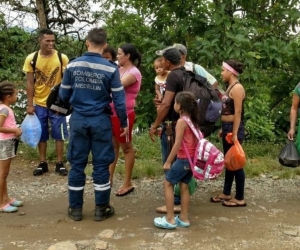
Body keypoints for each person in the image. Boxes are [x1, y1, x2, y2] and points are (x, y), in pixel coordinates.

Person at [59, 28, 128, 221]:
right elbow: (119, 101)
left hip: (79, 119)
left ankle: (75, 209)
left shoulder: (72, 66)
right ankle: (101, 208)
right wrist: (123, 122)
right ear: (105, 45)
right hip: (101, 121)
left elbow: (63, 95)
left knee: (77, 164)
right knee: (101, 164)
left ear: (87, 42)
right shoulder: (111, 68)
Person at [23, 28, 69, 176]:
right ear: (40, 40)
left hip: (58, 103)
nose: (51, 43)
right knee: (41, 133)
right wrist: (30, 104)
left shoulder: (62, 58)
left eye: (53, 40)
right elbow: (30, 83)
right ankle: (42, 163)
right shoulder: (32, 58)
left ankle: (59, 163)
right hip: (39, 102)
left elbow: (68, 81)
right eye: (47, 40)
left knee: (59, 133)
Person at [154, 91, 199, 229]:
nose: (174, 105)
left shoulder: (181, 121)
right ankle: (184, 218)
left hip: (184, 159)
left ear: (179, 106)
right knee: (184, 186)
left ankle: (170, 219)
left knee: (168, 183)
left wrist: (168, 161)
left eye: (175, 103)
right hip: (192, 160)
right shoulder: (193, 120)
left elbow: (177, 143)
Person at [149, 47, 186, 214]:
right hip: (186, 125)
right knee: (183, 161)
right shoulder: (187, 73)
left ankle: (174, 202)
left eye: (162, 60)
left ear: (169, 62)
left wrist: (155, 125)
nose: (161, 63)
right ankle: (182, 200)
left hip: (172, 127)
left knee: (169, 162)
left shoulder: (172, 76)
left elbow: (166, 104)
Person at [210, 59, 246, 207]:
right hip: (227, 127)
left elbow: (238, 112)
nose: (221, 73)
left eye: (223, 70)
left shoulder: (237, 88)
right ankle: (226, 192)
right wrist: (222, 128)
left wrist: (235, 132)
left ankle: (239, 198)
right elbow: (227, 109)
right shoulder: (229, 86)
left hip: (233, 128)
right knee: (228, 161)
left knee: (235, 162)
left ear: (231, 71)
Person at [109, 43, 142, 197]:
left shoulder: (133, 72)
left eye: (120, 53)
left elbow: (116, 86)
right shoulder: (117, 68)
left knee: (126, 148)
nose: (118, 56)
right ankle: (108, 179)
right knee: (113, 146)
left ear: (128, 56)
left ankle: (127, 182)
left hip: (124, 114)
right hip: (111, 113)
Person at [0, 82, 23, 213]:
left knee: (5, 173)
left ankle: (6, 198)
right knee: (2, 174)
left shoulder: (4, 108)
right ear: (8, 96)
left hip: (7, 142)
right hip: (4, 143)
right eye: (16, 94)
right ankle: (1, 203)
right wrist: (14, 130)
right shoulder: (4, 109)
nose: (17, 97)